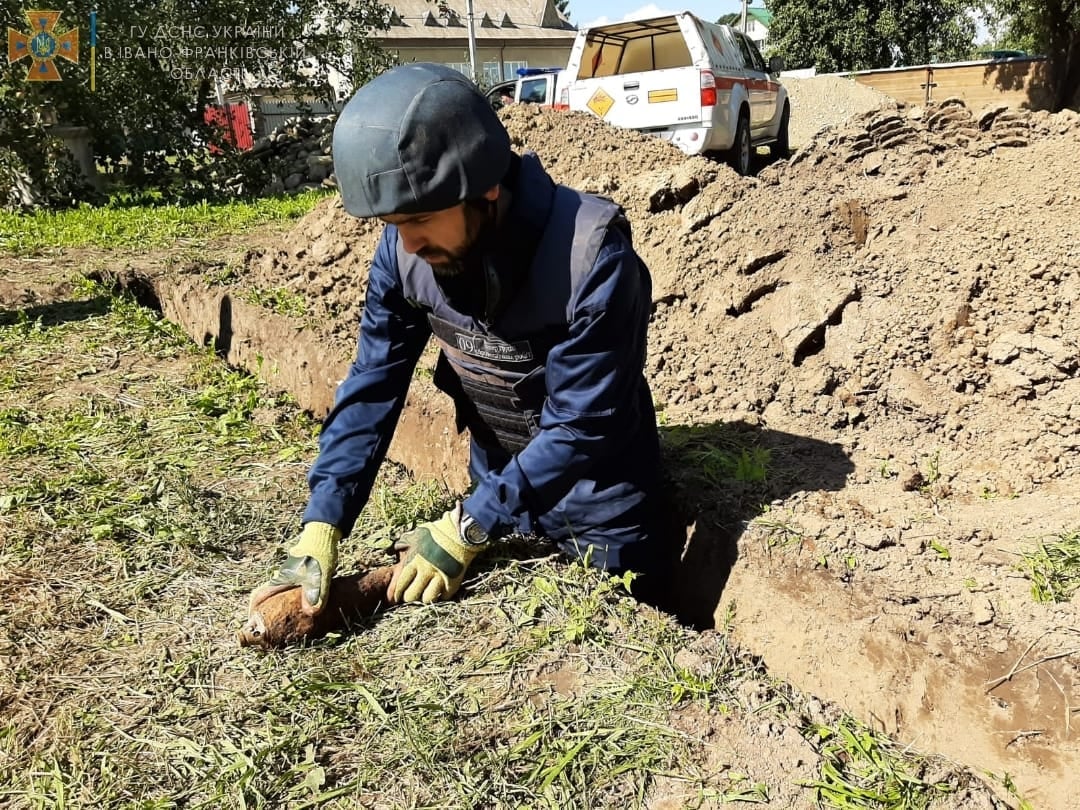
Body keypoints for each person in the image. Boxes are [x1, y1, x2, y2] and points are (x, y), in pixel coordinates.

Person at [249, 63, 663, 615]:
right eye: (392, 223)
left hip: (596, 500)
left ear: (486, 185)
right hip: (493, 473)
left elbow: (583, 424)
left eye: (419, 217)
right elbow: (375, 382)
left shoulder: (590, 258)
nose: (408, 242)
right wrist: (324, 517)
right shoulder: (404, 252)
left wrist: (472, 523)